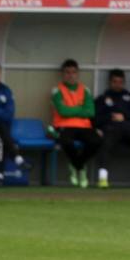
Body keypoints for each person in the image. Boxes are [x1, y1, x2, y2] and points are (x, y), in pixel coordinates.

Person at [51, 59, 101, 187]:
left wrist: (72, 110)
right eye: (67, 72)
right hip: (64, 125)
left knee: (96, 141)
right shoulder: (57, 90)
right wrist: (80, 108)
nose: (70, 75)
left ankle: (76, 164)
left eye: (73, 72)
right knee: (66, 142)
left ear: (77, 73)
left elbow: (91, 112)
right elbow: (62, 111)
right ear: (63, 74)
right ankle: (81, 168)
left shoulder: (85, 90)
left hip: (83, 126)